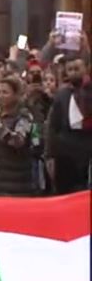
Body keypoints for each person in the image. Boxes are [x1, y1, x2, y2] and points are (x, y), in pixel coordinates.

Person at [46, 53, 92, 193]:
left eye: (77, 68)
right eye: (70, 69)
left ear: (86, 68)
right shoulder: (62, 95)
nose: (73, 72)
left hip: (87, 147)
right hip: (65, 152)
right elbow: (53, 126)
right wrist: (50, 155)